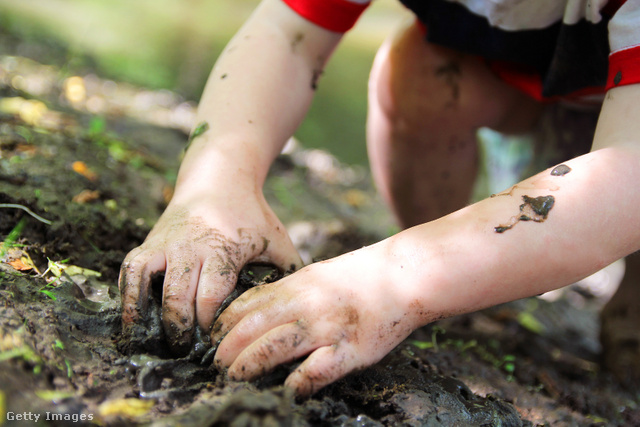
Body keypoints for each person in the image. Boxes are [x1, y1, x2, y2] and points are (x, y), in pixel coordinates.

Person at [119, 0, 640, 396]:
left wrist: (393, 276)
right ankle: (458, 290)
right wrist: (217, 184)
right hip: (523, 79)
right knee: (423, 71)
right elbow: (290, 30)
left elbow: (629, 169)